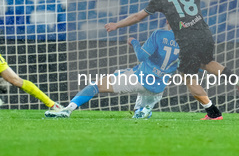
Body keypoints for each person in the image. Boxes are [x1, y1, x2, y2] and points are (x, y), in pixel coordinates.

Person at [105, 0, 239, 120]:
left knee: (188, 78)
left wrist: (117, 25)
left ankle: (214, 114)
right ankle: (238, 80)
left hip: (187, 39)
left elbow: (137, 17)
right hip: (204, 33)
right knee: (207, 63)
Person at [45, 23, 179, 119]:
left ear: (169, 21)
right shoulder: (188, 43)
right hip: (158, 88)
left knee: (95, 85)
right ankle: (145, 110)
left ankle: (68, 110)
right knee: (140, 109)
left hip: (139, 78)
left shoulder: (160, 34)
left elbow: (141, 56)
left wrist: (134, 42)